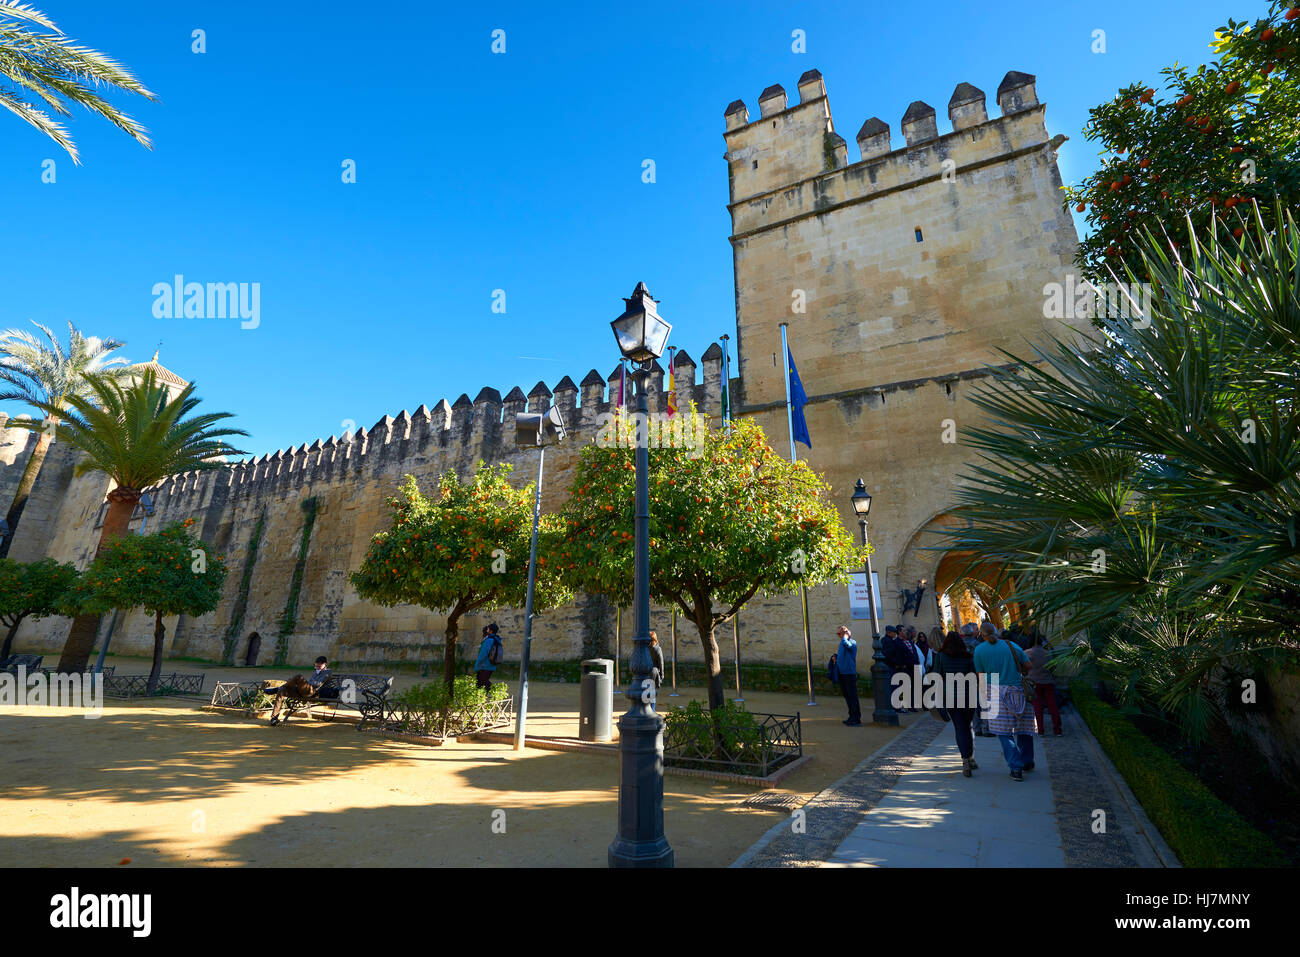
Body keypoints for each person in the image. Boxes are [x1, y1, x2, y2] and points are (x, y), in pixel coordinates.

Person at [972, 622, 1036, 780]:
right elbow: (1028, 665)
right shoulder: (1011, 645)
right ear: (996, 631)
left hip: (993, 690)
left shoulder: (979, 650)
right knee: (1023, 728)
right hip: (1017, 688)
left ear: (981, 634)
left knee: (1004, 732)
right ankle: (1027, 760)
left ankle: (1015, 768)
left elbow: (980, 675)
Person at [933, 631, 979, 777]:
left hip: (951, 696)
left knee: (960, 728)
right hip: (968, 695)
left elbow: (936, 676)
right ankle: (970, 758)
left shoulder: (941, 656)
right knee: (967, 726)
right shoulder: (968, 657)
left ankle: (966, 759)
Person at [269, 656, 330, 725]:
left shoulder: (327, 672)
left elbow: (317, 685)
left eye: (319, 667)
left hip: (313, 693)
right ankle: (274, 718)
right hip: (304, 692)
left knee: (299, 677)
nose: (317, 668)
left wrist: (304, 683)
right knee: (282, 690)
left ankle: (276, 689)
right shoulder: (317, 672)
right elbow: (311, 682)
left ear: (325, 664)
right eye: (316, 666)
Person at [1026, 632, 1063, 736]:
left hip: (1034, 682)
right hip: (1048, 681)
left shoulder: (1027, 653)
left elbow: (1023, 667)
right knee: (1053, 706)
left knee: (1037, 707)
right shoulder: (1047, 653)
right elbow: (1053, 668)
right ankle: (1057, 729)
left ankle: (1041, 730)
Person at [835, 625, 861, 725]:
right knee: (847, 696)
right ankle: (851, 716)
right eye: (837, 634)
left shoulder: (851, 642)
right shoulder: (842, 642)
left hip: (849, 673)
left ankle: (856, 718)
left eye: (839, 633)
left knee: (852, 696)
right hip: (842, 673)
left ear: (845, 633)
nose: (838, 636)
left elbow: (848, 646)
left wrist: (845, 636)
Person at [475, 623, 504, 690]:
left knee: (481, 685)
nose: (486, 630)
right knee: (484, 683)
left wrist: (477, 666)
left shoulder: (488, 640)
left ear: (490, 631)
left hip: (484, 666)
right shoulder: (497, 639)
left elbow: (483, 654)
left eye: (488, 629)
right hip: (492, 665)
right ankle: (495, 693)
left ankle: (496, 692)